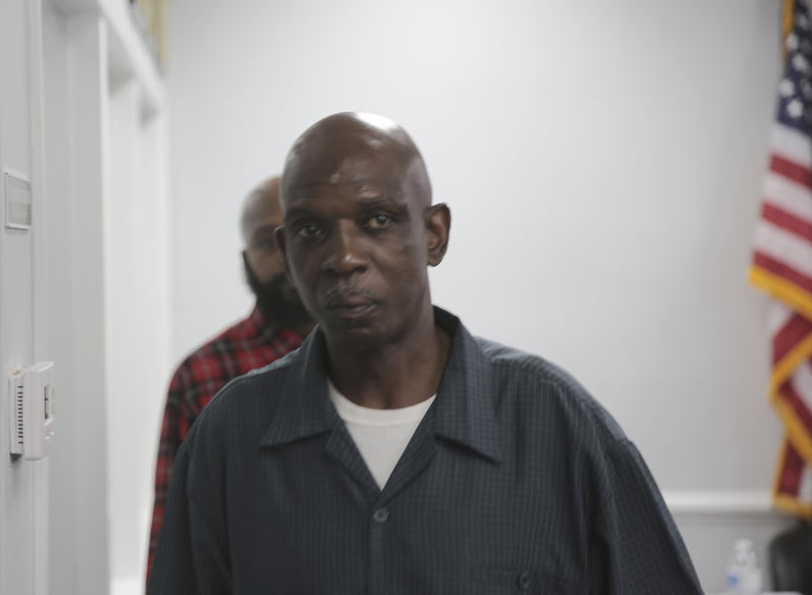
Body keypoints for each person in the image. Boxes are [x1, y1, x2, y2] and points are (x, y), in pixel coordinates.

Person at [147, 113, 703, 594]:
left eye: (378, 220)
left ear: (434, 234)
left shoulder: (555, 424)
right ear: (289, 253)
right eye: (313, 229)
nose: (343, 257)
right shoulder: (230, 436)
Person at [146, 176, 313, 579]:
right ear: (245, 261)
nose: (284, 254)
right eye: (265, 241)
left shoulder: (378, 361)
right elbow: (171, 533)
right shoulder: (202, 375)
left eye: (301, 231)